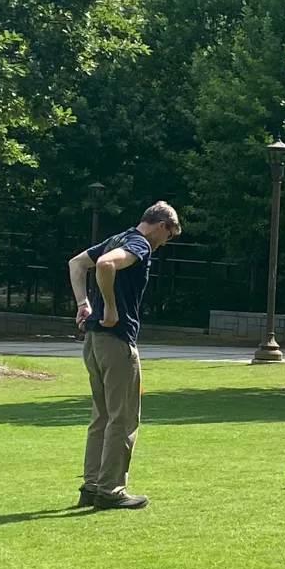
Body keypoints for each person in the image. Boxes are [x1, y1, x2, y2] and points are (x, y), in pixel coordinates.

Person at [67, 201, 181, 510]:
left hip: (92, 340)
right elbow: (105, 265)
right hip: (117, 340)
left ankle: (91, 486)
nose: (164, 243)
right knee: (124, 417)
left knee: (101, 417)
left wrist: (83, 303)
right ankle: (111, 490)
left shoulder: (118, 237)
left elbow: (77, 263)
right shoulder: (139, 244)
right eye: (168, 236)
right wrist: (111, 307)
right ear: (161, 226)